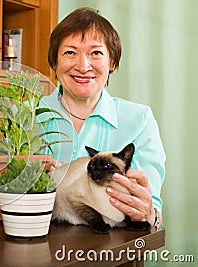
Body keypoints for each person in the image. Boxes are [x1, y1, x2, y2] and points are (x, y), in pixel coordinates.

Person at [39, 7, 165, 227]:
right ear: (54, 62)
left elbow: (152, 214)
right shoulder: (26, 118)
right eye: (70, 52)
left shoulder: (139, 120)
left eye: (96, 53)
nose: (83, 66)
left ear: (112, 62)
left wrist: (147, 213)